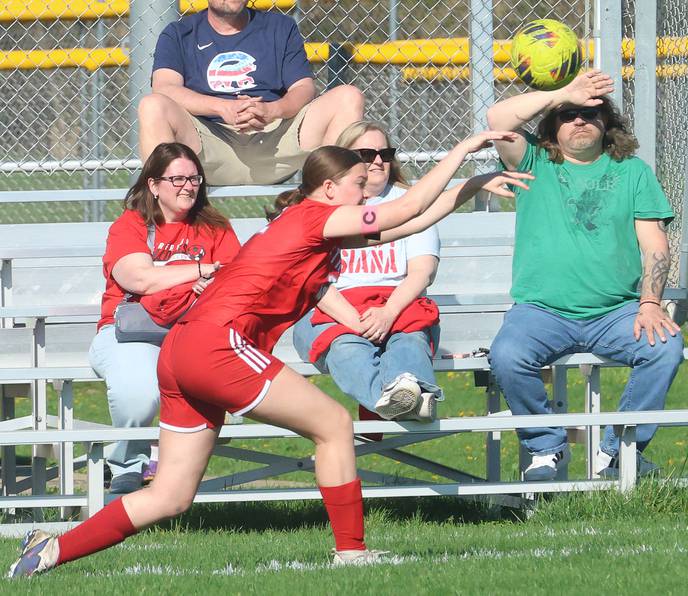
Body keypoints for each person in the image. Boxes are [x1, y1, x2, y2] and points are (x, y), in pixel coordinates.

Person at [8, 132, 531, 577]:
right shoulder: (313, 219)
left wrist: (475, 185)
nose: (367, 185)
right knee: (332, 423)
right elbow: (407, 207)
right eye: (357, 182)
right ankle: (352, 553)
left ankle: (49, 550)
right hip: (216, 345)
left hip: (184, 352)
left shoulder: (315, 228)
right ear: (329, 189)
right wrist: (466, 148)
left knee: (170, 497)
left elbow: (408, 223)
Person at [486, 70, 684, 481]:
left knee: (664, 347)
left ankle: (617, 453)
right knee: (507, 355)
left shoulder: (633, 172)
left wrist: (649, 302)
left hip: (615, 312)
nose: (579, 120)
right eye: (569, 114)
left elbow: (655, 245)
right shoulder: (533, 162)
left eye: (591, 114)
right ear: (552, 127)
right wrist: (561, 92)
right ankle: (546, 449)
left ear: (607, 126)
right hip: (542, 312)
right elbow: (497, 120)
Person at [88, 142, 241, 495]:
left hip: (195, 332)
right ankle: (127, 467)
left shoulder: (216, 228)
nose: (188, 186)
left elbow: (234, 282)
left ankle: (174, 471)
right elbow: (138, 279)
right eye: (177, 179)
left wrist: (181, 280)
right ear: (154, 185)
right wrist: (199, 271)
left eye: (194, 178)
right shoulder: (132, 225)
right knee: (137, 392)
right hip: (131, 333)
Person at [293, 121, 442, 425]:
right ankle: (404, 399)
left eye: (384, 153)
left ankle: (401, 394)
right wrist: (354, 319)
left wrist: (388, 313)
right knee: (346, 347)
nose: (377, 161)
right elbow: (312, 281)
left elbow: (422, 272)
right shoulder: (320, 206)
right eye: (366, 153)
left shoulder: (407, 202)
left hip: (397, 303)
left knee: (409, 339)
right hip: (333, 307)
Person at [138, 0, 364, 186]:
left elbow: (303, 88)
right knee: (153, 106)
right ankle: (166, 226)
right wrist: (221, 107)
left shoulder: (280, 26)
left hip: (275, 139)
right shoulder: (179, 33)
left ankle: (329, 214)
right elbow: (165, 87)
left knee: (348, 97)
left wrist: (272, 110)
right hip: (209, 143)